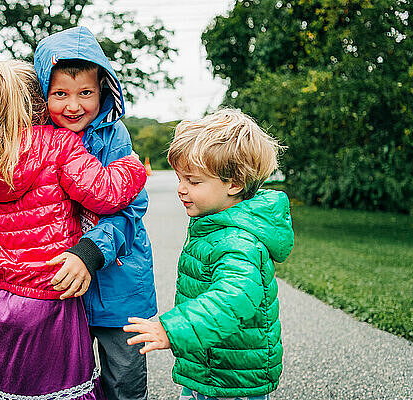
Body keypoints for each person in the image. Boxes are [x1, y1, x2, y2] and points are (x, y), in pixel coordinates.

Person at [0, 59, 148, 400]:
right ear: (40, 101)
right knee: (62, 387)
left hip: (4, 296)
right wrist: (133, 167)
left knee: (18, 388)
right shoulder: (56, 144)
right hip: (52, 289)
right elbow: (105, 194)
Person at [124, 109, 295, 400]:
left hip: (231, 378)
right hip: (209, 366)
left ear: (234, 184)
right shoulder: (216, 225)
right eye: (180, 178)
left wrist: (173, 330)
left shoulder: (238, 241)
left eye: (193, 181)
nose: (181, 189)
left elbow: (233, 298)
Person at [34, 27, 157, 400]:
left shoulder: (114, 136)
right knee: (70, 383)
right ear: (44, 94)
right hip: (62, 286)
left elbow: (129, 208)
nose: (74, 106)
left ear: (103, 90)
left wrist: (90, 251)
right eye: (60, 94)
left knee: (124, 380)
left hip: (120, 285)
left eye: (85, 92)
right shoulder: (37, 141)